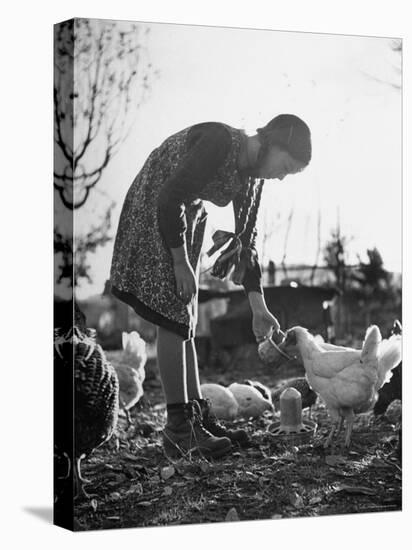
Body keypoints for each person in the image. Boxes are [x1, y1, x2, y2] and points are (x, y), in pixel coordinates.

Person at [110, 114, 312, 458]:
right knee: (172, 313)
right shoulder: (220, 142)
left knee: (185, 316)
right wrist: (178, 260)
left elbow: (246, 242)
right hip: (158, 204)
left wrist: (259, 307)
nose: (280, 176)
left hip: (186, 216)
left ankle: (196, 416)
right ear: (272, 142)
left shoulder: (252, 179)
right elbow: (169, 196)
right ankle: (178, 428)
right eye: (285, 166)